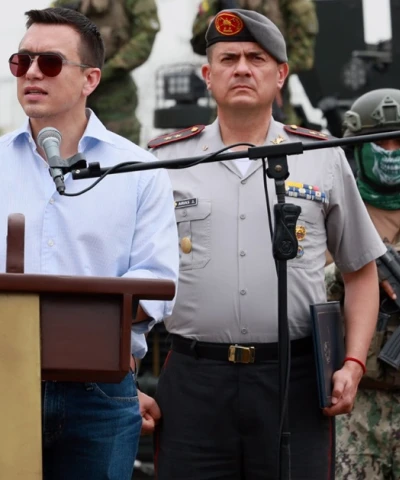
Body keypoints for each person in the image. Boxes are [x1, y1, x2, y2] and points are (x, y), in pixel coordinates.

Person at [0, 8, 179, 479]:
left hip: (98, 390)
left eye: (51, 63)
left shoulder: (138, 170)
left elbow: (156, 281)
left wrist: (88, 322)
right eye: (23, 62)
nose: (33, 73)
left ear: (90, 79)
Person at [147, 9, 383, 479]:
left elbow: (360, 271)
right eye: (228, 58)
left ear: (281, 76)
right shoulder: (159, 161)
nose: (241, 68)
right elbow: (124, 276)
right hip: (195, 379)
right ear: (207, 75)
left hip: (295, 379)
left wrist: (354, 363)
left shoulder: (321, 156)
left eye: (256, 58)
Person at [326, 88, 400, 480]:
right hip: (358, 401)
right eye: (380, 141)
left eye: (399, 141)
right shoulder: (337, 207)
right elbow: (304, 290)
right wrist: (357, 272)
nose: (391, 151)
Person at [190, 0, 318, 126]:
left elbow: (304, 56)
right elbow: (198, 43)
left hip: (275, 99)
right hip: (228, 108)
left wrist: (272, 72)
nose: (243, 68)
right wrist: (213, 25)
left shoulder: (292, 4)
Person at [53, 0, 159, 145]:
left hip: (114, 90)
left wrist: (107, 70)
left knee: (120, 151)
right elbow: (48, 32)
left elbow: (145, 37)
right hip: (72, 89)